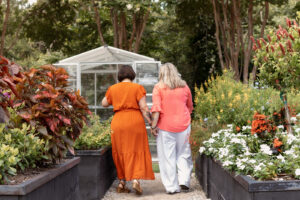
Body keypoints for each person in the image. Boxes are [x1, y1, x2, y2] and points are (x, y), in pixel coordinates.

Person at [101, 65, 155, 195]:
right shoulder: (137, 88)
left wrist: (115, 98)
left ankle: (122, 182)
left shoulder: (112, 88)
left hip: (119, 121)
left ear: (119, 76)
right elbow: (143, 107)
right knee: (135, 149)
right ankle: (135, 180)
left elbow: (104, 103)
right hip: (134, 121)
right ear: (132, 75)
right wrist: (152, 123)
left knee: (120, 150)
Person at [150, 63, 193, 194]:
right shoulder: (184, 86)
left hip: (166, 127)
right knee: (184, 153)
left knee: (167, 157)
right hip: (184, 125)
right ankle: (184, 181)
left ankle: (172, 187)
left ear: (162, 73)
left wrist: (153, 126)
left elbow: (156, 110)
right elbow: (190, 106)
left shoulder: (158, 88)